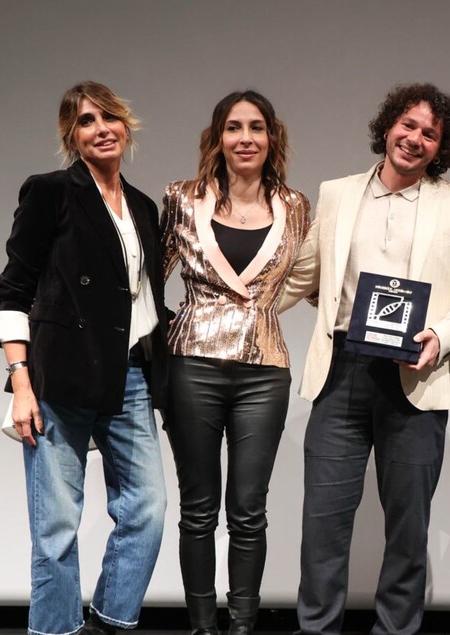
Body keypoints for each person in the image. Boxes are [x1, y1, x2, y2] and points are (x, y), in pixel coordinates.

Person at [279, 83, 450, 635]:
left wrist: (441, 335)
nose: (415, 139)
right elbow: (303, 275)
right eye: (408, 125)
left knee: (409, 528)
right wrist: (244, 307)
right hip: (342, 371)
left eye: (430, 134)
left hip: (417, 375)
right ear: (388, 126)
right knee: (322, 524)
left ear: (440, 148)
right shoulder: (337, 193)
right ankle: (316, 628)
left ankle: (396, 630)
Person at [0, 81, 168, 635]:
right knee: (56, 529)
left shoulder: (143, 207)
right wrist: (21, 384)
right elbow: (13, 291)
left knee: (148, 510)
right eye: (86, 121)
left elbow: (143, 298)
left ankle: (108, 625)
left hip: (130, 376)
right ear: (72, 136)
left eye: (109, 117)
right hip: (59, 378)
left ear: (126, 125)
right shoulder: (51, 192)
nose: (101, 129)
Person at [160, 90, 310, 635]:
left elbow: (312, 280)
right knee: (198, 509)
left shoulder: (295, 206)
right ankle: (203, 628)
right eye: (233, 127)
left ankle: (242, 627)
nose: (245, 137)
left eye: (256, 127)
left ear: (272, 137)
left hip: (264, 371)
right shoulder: (182, 198)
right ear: (217, 137)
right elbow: (145, 280)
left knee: (248, 510)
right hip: (192, 366)